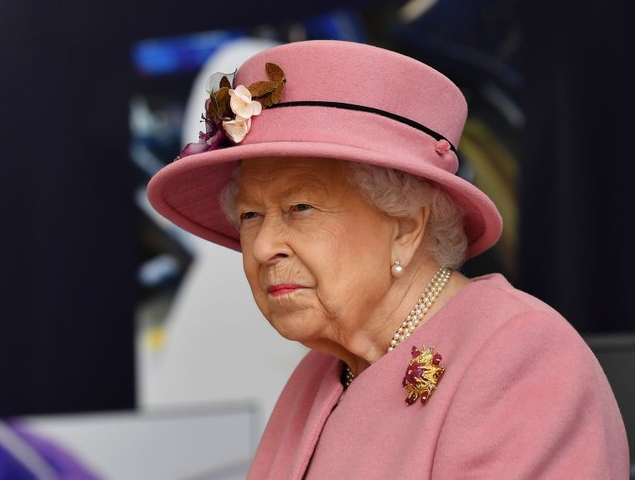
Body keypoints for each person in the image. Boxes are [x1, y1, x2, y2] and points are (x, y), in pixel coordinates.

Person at [146, 39, 629, 478]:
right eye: (251, 214)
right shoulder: (318, 375)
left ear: (406, 226)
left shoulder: (520, 359)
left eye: (301, 208)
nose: (264, 245)